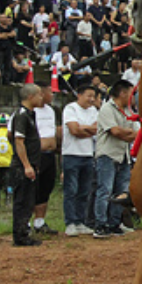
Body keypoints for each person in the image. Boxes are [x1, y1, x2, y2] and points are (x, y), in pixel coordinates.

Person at [93, 80, 139, 238]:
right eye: (131, 93)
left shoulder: (129, 110)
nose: (133, 97)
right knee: (105, 190)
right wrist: (128, 134)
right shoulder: (107, 108)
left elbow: (138, 133)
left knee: (121, 191)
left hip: (124, 155)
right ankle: (100, 224)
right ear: (123, 93)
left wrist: (126, 133)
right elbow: (115, 131)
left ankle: (114, 223)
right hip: (108, 154)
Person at [62, 85, 98, 236]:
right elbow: (74, 130)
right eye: (88, 95)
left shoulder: (94, 111)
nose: (91, 99)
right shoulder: (71, 109)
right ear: (79, 95)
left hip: (88, 154)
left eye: (93, 96)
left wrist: (84, 129)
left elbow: (97, 129)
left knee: (84, 190)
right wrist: (88, 129)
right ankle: (70, 222)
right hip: (71, 154)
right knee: (71, 190)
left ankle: (81, 221)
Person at [11, 83, 44, 247]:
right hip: (22, 166)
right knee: (22, 201)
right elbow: (18, 140)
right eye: (39, 95)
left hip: (30, 164)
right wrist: (26, 165)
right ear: (30, 97)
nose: (42, 97)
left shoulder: (30, 114)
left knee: (28, 200)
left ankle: (23, 231)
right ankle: (20, 235)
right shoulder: (22, 115)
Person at [31, 83, 60, 235]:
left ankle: (39, 222)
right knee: (31, 189)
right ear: (41, 93)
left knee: (45, 188)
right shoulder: (29, 111)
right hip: (37, 156)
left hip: (50, 155)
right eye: (50, 92)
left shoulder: (51, 111)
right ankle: (24, 222)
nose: (53, 95)